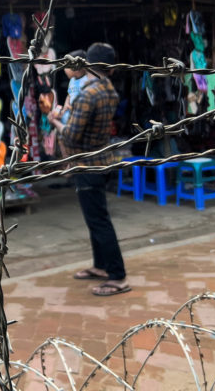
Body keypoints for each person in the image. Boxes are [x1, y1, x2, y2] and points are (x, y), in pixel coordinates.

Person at [49, 43, 131, 297]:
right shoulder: (109, 90)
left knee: (98, 221)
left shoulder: (87, 94)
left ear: (88, 65)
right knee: (95, 218)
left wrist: (54, 120)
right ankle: (100, 266)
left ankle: (117, 276)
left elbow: (72, 136)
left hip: (87, 164)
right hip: (102, 159)